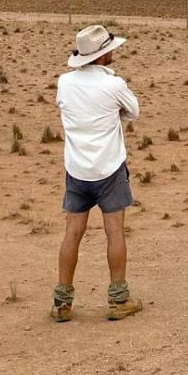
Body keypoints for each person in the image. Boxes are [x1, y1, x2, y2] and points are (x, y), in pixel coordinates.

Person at [51, 24, 143, 322]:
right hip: (109, 168)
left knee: (72, 233)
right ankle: (119, 300)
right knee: (114, 231)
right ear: (102, 56)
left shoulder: (65, 82)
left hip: (76, 168)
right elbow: (133, 112)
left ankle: (62, 303)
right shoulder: (113, 85)